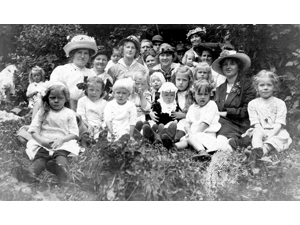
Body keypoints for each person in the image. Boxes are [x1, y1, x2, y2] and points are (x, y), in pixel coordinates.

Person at [21, 82, 81, 183]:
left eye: (60, 98)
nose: (56, 101)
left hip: (62, 142)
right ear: (47, 98)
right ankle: (32, 174)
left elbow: (74, 133)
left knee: (61, 155)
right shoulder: (43, 111)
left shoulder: (69, 113)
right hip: (45, 141)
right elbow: (33, 130)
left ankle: (61, 170)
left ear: (66, 99)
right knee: (41, 158)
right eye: (52, 98)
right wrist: (42, 142)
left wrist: (62, 140)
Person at [212, 50, 256, 151]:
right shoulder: (220, 89)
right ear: (222, 68)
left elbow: (247, 110)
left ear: (238, 67)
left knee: (220, 128)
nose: (228, 67)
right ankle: (223, 145)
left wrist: (226, 113)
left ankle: (224, 145)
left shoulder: (247, 85)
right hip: (221, 122)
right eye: (225, 64)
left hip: (239, 123)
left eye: (232, 64)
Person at [165, 80, 220, 158]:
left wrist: (194, 135)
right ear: (194, 94)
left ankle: (202, 151)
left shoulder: (211, 104)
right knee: (185, 139)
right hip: (194, 134)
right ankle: (173, 146)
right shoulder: (192, 107)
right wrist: (189, 132)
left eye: (205, 94)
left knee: (190, 138)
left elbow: (206, 123)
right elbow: (187, 123)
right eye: (199, 94)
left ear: (210, 95)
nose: (202, 97)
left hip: (207, 135)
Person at [247, 70, 292, 158]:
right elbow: (256, 124)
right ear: (257, 87)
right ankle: (257, 148)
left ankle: (259, 153)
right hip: (260, 130)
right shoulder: (252, 104)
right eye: (262, 85)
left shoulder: (280, 103)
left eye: (269, 85)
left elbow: (279, 124)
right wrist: (262, 133)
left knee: (280, 139)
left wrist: (269, 135)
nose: (265, 88)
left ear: (274, 87)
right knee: (256, 133)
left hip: (276, 132)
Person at [49, 34, 97, 111]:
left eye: (86, 53)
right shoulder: (61, 70)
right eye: (79, 52)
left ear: (89, 56)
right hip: (65, 108)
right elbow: (55, 92)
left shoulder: (92, 74)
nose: (82, 56)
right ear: (72, 54)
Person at [104, 77, 137, 142]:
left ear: (128, 95)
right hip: (113, 128)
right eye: (118, 92)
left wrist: (130, 135)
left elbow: (132, 122)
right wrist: (111, 132)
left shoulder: (131, 106)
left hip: (125, 127)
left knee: (124, 139)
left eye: (124, 93)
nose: (120, 95)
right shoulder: (110, 104)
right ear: (113, 93)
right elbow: (108, 120)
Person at [76, 76, 107, 141]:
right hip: (85, 124)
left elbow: (106, 118)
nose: (94, 92)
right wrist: (89, 126)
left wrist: (101, 127)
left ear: (101, 91)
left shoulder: (104, 103)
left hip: (99, 126)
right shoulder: (82, 101)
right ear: (86, 90)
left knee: (102, 135)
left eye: (97, 90)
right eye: (91, 89)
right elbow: (81, 116)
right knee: (83, 132)